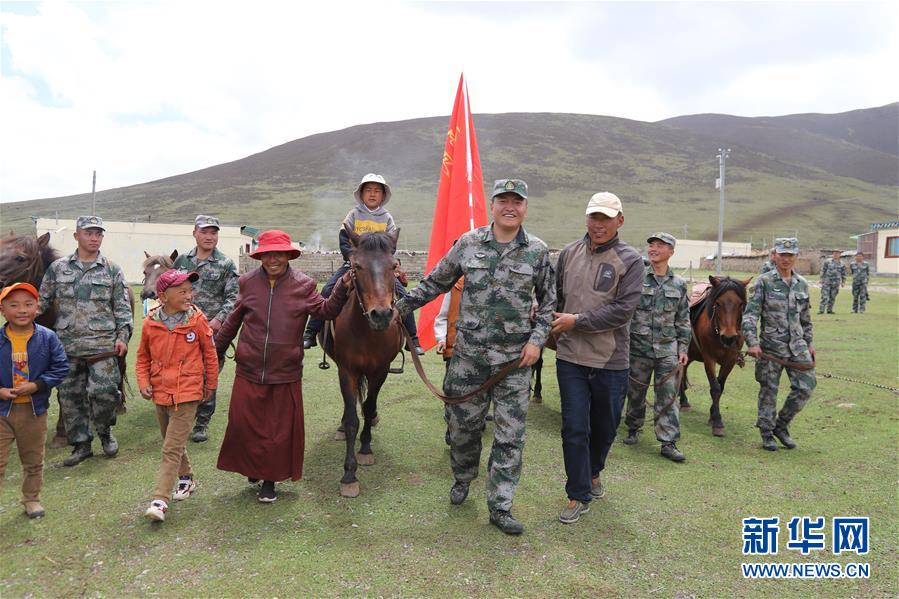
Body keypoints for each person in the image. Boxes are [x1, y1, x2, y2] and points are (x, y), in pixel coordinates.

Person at [396, 179, 555, 535]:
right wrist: (400, 307)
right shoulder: (468, 244)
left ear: (525, 208)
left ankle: (500, 506)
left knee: (509, 436)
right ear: (492, 205)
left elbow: (548, 303)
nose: (510, 206)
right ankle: (463, 476)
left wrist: (537, 341)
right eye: (503, 200)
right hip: (468, 360)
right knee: (463, 429)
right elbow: (435, 282)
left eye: (517, 201)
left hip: (514, 363)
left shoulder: (538, 252)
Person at [215, 230, 351, 503]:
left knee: (277, 433)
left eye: (278, 254)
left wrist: (342, 287)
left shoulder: (303, 285)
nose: (273, 259)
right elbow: (232, 321)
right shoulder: (248, 283)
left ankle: (269, 480)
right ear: (260, 256)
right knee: (244, 425)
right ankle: (254, 468)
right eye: (267, 254)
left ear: (289, 255)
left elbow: (325, 312)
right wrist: (214, 351)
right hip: (249, 367)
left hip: (284, 371)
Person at [550, 191, 643, 524]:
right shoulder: (568, 254)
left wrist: (577, 321)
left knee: (605, 428)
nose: (598, 224)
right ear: (586, 218)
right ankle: (578, 493)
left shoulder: (631, 260)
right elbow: (555, 298)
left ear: (620, 220)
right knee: (574, 428)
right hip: (571, 357)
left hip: (610, 361)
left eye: (606, 218)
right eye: (594, 217)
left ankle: (594, 470)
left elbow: (622, 311)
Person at [38, 216, 132, 467]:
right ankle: (81, 445)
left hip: (102, 347)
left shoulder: (111, 269)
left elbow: (123, 308)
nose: (94, 238)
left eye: (98, 234)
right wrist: (18, 313)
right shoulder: (58, 268)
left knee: (104, 395)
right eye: (89, 233)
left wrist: (123, 337)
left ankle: (105, 433)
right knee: (70, 397)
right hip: (66, 348)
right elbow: (42, 301)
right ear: (76, 236)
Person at [303, 173, 423, 355]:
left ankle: (412, 338)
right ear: (361, 194)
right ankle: (310, 333)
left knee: (403, 293)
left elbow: (391, 245)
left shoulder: (387, 218)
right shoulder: (353, 214)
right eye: (368, 190)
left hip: (380, 268)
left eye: (377, 191)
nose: (372, 194)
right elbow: (344, 240)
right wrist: (353, 259)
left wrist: (384, 262)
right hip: (354, 266)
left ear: (383, 195)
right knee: (328, 289)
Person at [136, 270, 218, 522]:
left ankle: (160, 500)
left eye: (190, 290)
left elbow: (210, 356)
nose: (188, 295)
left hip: (188, 392)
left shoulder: (197, 320)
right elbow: (142, 357)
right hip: (160, 392)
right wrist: (143, 381)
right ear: (163, 296)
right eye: (181, 291)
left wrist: (210, 386)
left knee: (170, 448)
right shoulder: (151, 322)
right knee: (173, 441)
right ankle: (187, 478)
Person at [0, 283, 69, 519]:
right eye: (14, 305)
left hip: (33, 411)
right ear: (2, 310)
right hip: (2, 412)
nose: (22, 310)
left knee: (33, 460)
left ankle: (31, 499)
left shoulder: (48, 338)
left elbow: (61, 367)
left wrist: (37, 385)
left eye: (29, 304)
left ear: (37, 308)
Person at [622, 232, 691, 463]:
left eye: (660, 245)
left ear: (671, 251)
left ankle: (668, 442)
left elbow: (683, 319)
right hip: (638, 347)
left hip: (667, 350)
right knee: (635, 392)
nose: (653, 248)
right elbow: (626, 313)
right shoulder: (637, 277)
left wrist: (683, 349)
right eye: (651, 244)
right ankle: (633, 427)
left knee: (668, 396)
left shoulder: (679, 284)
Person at [742, 237, 816, 451]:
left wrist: (809, 343)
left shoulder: (801, 283)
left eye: (790, 254)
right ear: (774, 255)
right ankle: (766, 432)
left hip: (798, 345)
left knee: (806, 385)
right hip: (770, 347)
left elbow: (806, 318)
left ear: (796, 256)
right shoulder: (763, 282)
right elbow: (749, 316)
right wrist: (753, 342)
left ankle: (781, 425)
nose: (786, 259)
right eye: (782, 254)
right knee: (769, 390)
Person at [172, 214, 239, 443]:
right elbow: (171, 292)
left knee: (206, 375)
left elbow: (233, 297)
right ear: (195, 233)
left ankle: (202, 422)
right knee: (180, 373)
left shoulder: (226, 264)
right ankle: (182, 416)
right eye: (204, 232)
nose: (209, 237)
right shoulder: (182, 261)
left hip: (211, 330)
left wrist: (219, 320)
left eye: (213, 232)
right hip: (181, 329)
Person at [818, 250, 845, 314]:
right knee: (825, 296)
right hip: (827, 282)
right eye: (835, 253)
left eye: (838, 253)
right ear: (833, 254)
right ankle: (821, 310)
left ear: (840, 255)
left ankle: (829, 310)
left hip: (836, 283)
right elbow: (823, 270)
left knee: (833, 296)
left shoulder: (842, 264)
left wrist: (843, 282)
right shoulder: (827, 262)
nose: (836, 255)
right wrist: (821, 279)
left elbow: (843, 273)